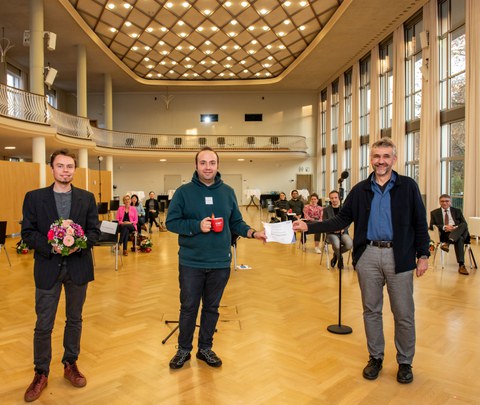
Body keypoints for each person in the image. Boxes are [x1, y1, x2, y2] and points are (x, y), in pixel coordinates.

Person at [293, 137, 429, 384]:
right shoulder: (360, 190)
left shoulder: (408, 187)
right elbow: (340, 220)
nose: (381, 161)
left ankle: (405, 362)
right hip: (368, 255)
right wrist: (310, 226)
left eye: (386, 156)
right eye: (377, 156)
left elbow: (420, 223)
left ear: (394, 159)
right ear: (371, 159)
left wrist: (424, 255)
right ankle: (375, 357)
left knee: (404, 313)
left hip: (400, 256)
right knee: (371, 311)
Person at [166, 146, 267, 370]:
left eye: (212, 162)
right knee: (189, 307)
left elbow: (236, 223)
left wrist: (253, 232)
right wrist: (196, 226)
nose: (208, 167)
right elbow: (171, 223)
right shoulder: (184, 192)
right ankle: (183, 350)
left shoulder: (228, 192)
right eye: (203, 162)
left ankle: (205, 348)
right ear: (196, 165)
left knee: (212, 308)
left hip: (220, 262)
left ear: (218, 165)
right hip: (191, 262)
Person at [21, 149, 100, 402]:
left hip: (78, 266)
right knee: (43, 324)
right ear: (51, 168)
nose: (65, 170)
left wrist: (81, 244)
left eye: (69, 166)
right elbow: (28, 232)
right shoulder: (34, 198)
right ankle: (41, 373)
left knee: (75, 319)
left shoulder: (87, 198)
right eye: (60, 166)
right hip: (47, 266)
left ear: (74, 170)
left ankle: (70, 364)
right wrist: (50, 245)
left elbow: (95, 232)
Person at [429, 194, 470, 275]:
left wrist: (455, 228)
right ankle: (461, 265)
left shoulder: (457, 211)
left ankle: (448, 243)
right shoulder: (434, 212)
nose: (444, 203)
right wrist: (444, 227)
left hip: (457, 230)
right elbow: (431, 226)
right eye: (442, 201)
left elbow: (464, 223)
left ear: (450, 202)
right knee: (460, 239)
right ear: (439, 202)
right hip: (445, 234)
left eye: (447, 201)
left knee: (464, 225)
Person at [323, 190, 353, 268]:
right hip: (331, 234)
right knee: (336, 245)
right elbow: (324, 223)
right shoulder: (326, 210)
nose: (334, 200)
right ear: (330, 199)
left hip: (343, 232)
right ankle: (340, 259)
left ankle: (336, 255)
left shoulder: (345, 208)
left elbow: (348, 221)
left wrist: (343, 229)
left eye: (335, 197)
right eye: (332, 198)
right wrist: (333, 229)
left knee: (349, 244)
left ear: (339, 198)